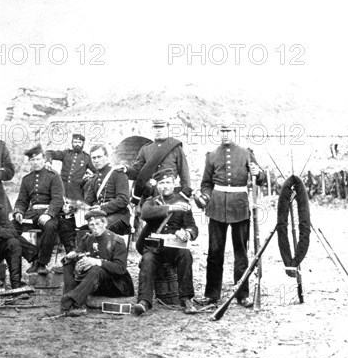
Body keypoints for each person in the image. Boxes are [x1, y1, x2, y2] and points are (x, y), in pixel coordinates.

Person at [194, 115, 266, 308]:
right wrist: (207, 197)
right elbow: (206, 184)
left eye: (229, 131)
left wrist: (258, 173)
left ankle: (242, 294)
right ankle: (211, 295)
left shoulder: (246, 153)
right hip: (216, 208)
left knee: (241, 252)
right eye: (222, 131)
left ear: (235, 132)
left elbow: (262, 178)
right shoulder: (211, 155)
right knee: (214, 252)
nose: (225, 135)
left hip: (240, 207)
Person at [132, 170, 198, 315]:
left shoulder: (183, 203)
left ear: (174, 184)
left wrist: (187, 233)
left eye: (168, 182)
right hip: (155, 249)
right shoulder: (151, 201)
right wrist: (171, 208)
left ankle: (186, 299)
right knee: (147, 260)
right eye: (161, 183)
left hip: (174, 249)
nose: (165, 186)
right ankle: (144, 301)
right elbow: (145, 213)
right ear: (157, 186)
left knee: (186, 255)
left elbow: (192, 227)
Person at [45, 210, 134, 317]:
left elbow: (120, 269)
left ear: (105, 223)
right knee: (69, 263)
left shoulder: (117, 241)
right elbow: (79, 253)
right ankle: (76, 304)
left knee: (97, 268)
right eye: (91, 224)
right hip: (96, 283)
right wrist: (73, 259)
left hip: (117, 285)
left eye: (98, 224)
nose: (95, 227)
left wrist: (96, 262)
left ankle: (67, 303)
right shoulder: (88, 239)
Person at [12, 144, 75, 275]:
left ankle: (42, 263)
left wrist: (49, 214)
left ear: (44, 159)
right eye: (33, 160)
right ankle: (33, 255)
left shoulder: (53, 176)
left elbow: (57, 199)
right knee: (9, 228)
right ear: (29, 161)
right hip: (32, 213)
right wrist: (18, 211)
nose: (36, 162)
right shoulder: (27, 179)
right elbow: (22, 200)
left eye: (39, 159)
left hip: (50, 212)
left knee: (50, 227)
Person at [120, 117, 191, 206]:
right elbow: (136, 171)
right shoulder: (145, 149)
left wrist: (185, 194)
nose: (158, 130)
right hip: (150, 193)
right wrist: (126, 169)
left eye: (161, 127)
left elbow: (184, 172)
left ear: (167, 128)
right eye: (156, 128)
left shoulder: (176, 148)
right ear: (152, 129)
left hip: (171, 194)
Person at [84, 144, 131, 235]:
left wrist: (101, 208)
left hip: (120, 216)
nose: (96, 160)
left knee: (100, 227)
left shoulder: (118, 173)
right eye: (94, 158)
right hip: (101, 216)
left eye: (99, 157)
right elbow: (89, 201)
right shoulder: (95, 178)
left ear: (107, 157)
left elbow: (123, 200)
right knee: (81, 229)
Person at [44, 133, 95, 201]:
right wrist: (48, 162)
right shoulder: (66, 153)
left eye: (79, 142)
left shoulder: (87, 158)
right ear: (72, 143)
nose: (77, 144)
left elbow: (97, 172)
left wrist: (91, 178)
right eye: (75, 142)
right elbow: (49, 152)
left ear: (83, 143)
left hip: (76, 192)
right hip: (61, 189)